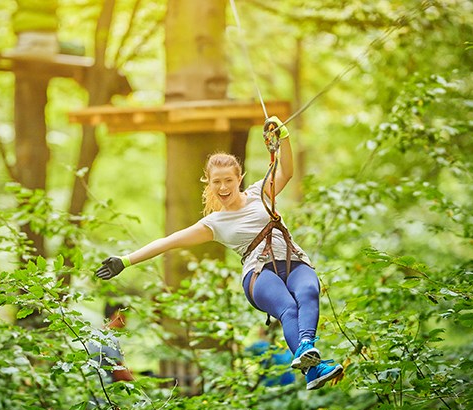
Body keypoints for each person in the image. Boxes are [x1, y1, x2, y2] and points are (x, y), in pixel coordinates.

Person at [96, 117, 343, 390]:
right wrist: (125, 260)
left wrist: (282, 137)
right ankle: (308, 359)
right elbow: (168, 241)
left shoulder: (261, 192)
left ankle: (309, 359)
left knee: (309, 291)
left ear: (239, 179)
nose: (223, 188)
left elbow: (286, 171)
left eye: (228, 181)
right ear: (209, 183)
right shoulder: (214, 223)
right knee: (288, 307)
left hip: (293, 260)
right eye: (217, 182)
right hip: (259, 274)